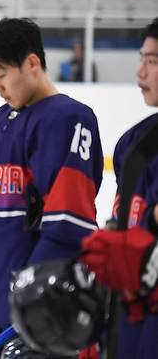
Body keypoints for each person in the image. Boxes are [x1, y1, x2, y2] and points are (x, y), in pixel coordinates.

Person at [0, 18, 104, 356]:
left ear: (32, 63)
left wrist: (33, 293)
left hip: (35, 305)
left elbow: (69, 219)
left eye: (2, 74)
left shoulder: (68, 118)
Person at [81, 18, 158, 359]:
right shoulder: (134, 143)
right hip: (131, 322)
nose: (140, 73)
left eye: (152, 61)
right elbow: (123, 226)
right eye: (141, 58)